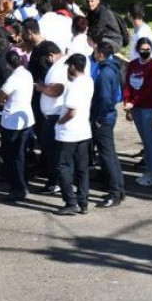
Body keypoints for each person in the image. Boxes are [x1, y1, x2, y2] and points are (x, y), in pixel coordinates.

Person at [54, 54, 94, 215]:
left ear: (72, 67)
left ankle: (70, 201)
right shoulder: (89, 80)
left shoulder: (73, 86)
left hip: (69, 132)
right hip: (83, 130)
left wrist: (59, 122)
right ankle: (83, 201)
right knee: (82, 167)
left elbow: (71, 111)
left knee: (62, 165)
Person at [0, 51, 34, 201]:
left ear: (8, 64)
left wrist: (0, 100)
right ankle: (23, 183)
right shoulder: (27, 74)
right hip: (26, 119)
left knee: (14, 156)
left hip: (13, 122)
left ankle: (19, 188)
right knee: (21, 155)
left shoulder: (13, 79)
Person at [124, 36, 152, 187]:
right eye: (142, 49)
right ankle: (149, 171)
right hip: (136, 108)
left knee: (150, 141)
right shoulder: (133, 65)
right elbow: (127, 84)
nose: (145, 52)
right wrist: (127, 101)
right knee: (145, 141)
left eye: (148, 49)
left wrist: (133, 102)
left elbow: (150, 89)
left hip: (148, 108)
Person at [91, 41, 125, 207]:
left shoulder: (104, 74)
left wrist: (98, 118)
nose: (94, 54)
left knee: (107, 156)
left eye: (96, 51)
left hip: (103, 119)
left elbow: (104, 99)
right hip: (108, 117)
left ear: (101, 54)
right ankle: (119, 189)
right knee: (110, 154)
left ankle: (115, 193)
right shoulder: (111, 69)